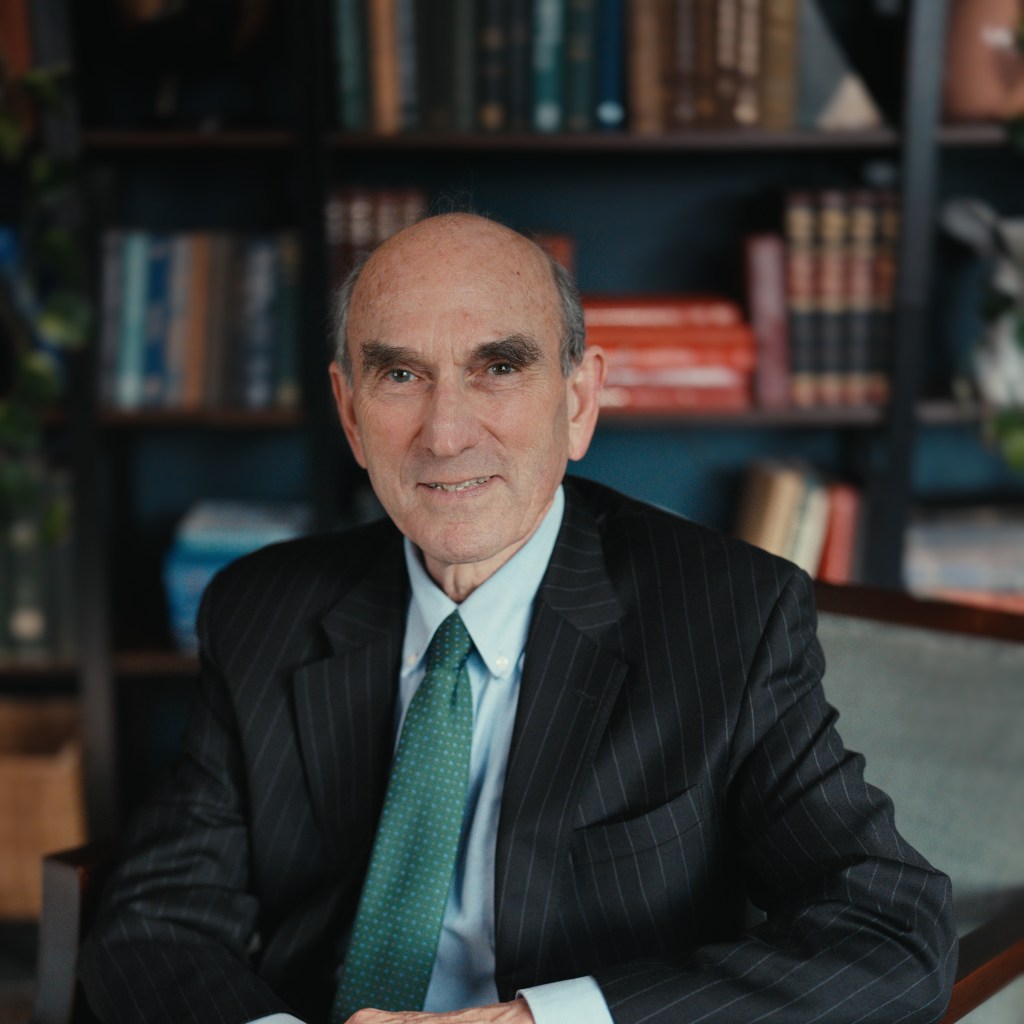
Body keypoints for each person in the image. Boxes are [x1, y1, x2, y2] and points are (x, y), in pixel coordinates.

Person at [80, 213, 957, 1024]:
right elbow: (157, 920)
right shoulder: (259, 612)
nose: (446, 433)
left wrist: (546, 1022)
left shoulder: (728, 616)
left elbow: (891, 934)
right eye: (399, 375)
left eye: (498, 368)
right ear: (349, 413)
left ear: (578, 402)